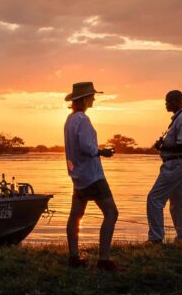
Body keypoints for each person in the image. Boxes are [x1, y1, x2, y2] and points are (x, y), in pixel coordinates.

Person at [64, 82, 123, 271]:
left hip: (78, 176)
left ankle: (73, 257)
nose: (94, 99)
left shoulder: (70, 119)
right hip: (92, 176)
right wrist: (102, 152)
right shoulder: (83, 120)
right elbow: (86, 147)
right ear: (84, 99)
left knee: (75, 215)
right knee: (111, 213)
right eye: (91, 96)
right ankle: (104, 259)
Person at [147, 90, 182, 244]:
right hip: (178, 163)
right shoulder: (178, 119)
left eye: (168, 101)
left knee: (154, 199)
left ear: (177, 101)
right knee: (178, 203)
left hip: (176, 164)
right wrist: (163, 144)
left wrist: (163, 147)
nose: (166, 104)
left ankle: (155, 238)